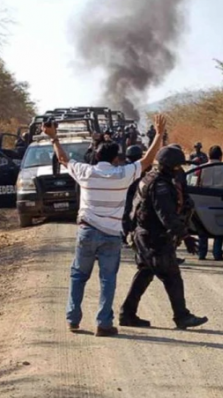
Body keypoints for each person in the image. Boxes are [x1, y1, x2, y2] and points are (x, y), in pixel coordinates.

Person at [42, 115, 166, 337]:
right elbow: (147, 161)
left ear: (96, 155)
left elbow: (62, 159)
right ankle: (103, 323)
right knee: (108, 281)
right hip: (111, 236)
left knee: (78, 276)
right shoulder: (123, 174)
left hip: (87, 232)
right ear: (116, 157)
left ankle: (73, 319)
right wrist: (158, 134)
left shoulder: (86, 172)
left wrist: (53, 138)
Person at [119, 146, 208, 329]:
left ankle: (127, 314)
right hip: (154, 238)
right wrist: (185, 236)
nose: (179, 170)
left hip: (143, 235)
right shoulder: (160, 185)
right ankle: (181, 316)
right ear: (170, 166)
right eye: (177, 166)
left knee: (145, 273)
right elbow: (166, 216)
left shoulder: (150, 177)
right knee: (172, 276)